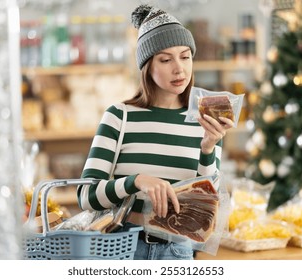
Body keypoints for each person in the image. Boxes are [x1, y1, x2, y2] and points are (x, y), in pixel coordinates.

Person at [77, 4, 234, 260]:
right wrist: (136, 181)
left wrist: (207, 148)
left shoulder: (205, 121)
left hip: (177, 250)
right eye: (165, 59)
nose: (179, 69)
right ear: (147, 66)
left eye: (185, 56)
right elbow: (86, 196)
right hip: (122, 246)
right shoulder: (119, 116)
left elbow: (207, 208)